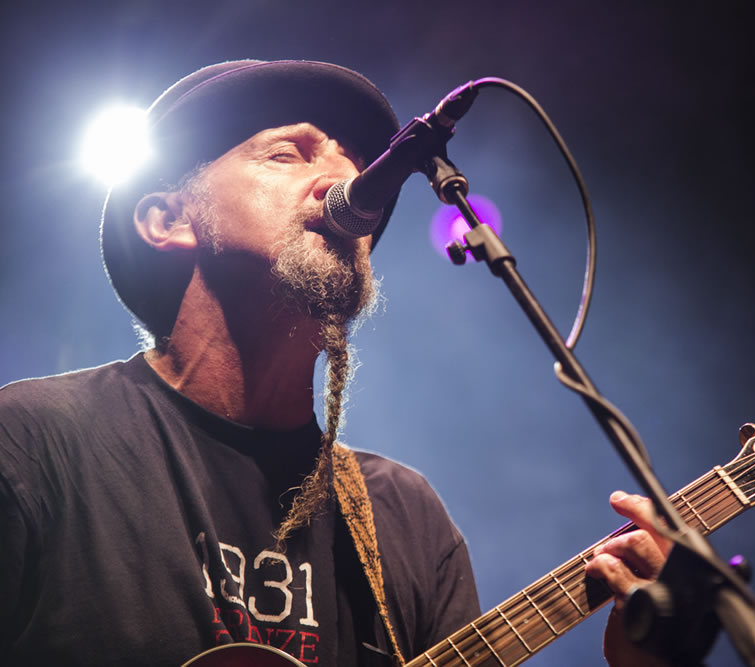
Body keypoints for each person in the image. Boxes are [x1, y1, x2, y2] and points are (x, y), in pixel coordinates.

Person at [0, 60, 669, 666]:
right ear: (170, 221)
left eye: (355, 164)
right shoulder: (34, 442)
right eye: (287, 153)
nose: (345, 181)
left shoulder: (405, 517)